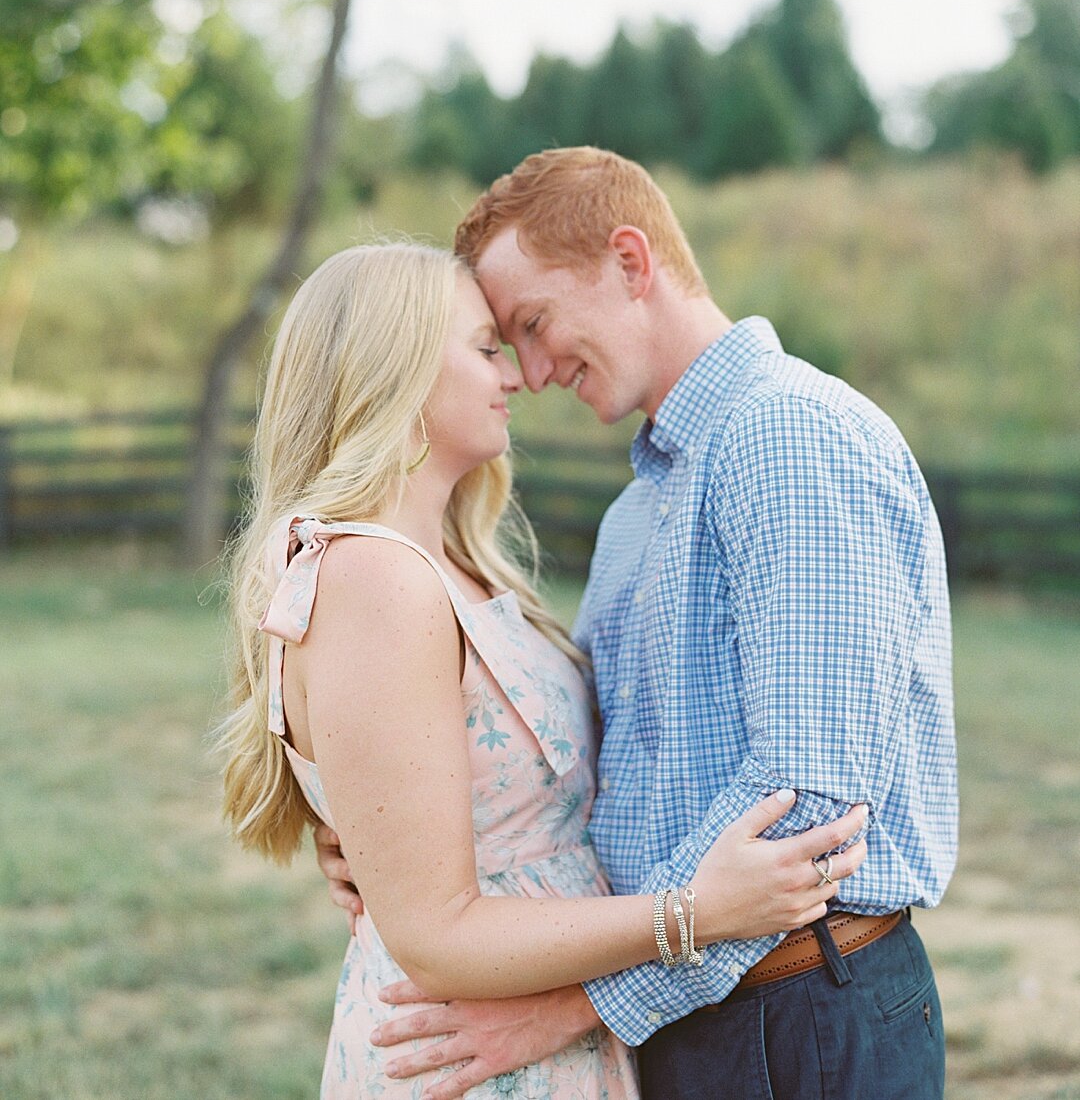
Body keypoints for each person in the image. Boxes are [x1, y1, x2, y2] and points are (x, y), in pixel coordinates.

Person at [317, 149, 958, 1100]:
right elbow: (605, 764)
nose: (529, 372)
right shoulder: (639, 511)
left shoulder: (785, 435)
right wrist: (399, 833)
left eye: (532, 325)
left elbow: (810, 814)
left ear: (630, 261)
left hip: (797, 1018)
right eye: (504, 342)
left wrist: (582, 1004)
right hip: (693, 1012)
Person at [218, 240, 869, 1100]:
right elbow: (436, 932)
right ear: (397, 369)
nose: (518, 374)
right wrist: (695, 913)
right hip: (470, 1052)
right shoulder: (374, 578)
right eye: (487, 346)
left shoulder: (443, 565)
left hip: (537, 1028)